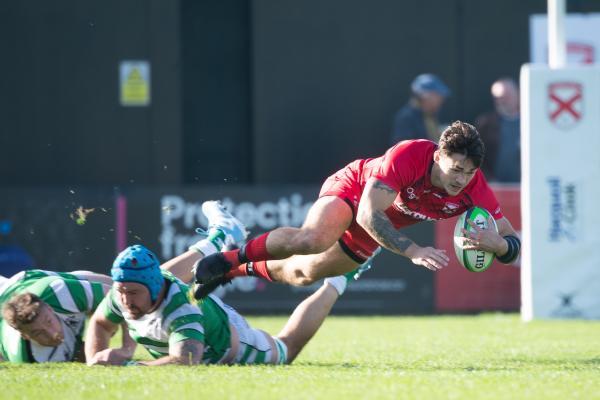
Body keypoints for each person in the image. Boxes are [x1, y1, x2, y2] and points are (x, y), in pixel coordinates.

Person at [193, 121, 521, 295]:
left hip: (382, 223)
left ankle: (233, 272)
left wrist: (500, 245)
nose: (461, 180)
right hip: (356, 191)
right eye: (456, 169)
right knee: (313, 240)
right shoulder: (409, 155)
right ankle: (228, 257)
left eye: (469, 172)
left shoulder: (475, 189)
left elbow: (512, 244)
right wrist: (412, 250)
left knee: (302, 274)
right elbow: (367, 214)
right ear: (438, 156)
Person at [85, 239, 371, 366]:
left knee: (287, 348)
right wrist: (95, 359)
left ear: (153, 287)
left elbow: (186, 361)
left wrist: (129, 366)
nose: (125, 299)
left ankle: (340, 278)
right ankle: (220, 237)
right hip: (199, 325)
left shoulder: (180, 309)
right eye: (121, 291)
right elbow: (99, 323)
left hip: (231, 344)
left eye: (133, 292)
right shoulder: (122, 294)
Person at [0, 269, 135, 363]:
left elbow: (119, 299)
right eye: (38, 333)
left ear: (49, 307)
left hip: (27, 281)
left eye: (48, 322)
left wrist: (126, 350)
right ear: (25, 335)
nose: (52, 334)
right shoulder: (29, 357)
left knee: (117, 286)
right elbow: (82, 355)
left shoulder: (58, 291)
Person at [475, 78, 521, 183]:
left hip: (526, 187)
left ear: (517, 94)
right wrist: (488, 179)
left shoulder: (531, 122)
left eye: (507, 96)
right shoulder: (485, 124)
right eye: (498, 98)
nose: (503, 101)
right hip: (495, 188)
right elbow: (476, 156)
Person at [390, 73, 450, 145]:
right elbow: (404, 149)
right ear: (425, 96)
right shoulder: (406, 118)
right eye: (437, 95)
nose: (441, 100)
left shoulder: (431, 115)